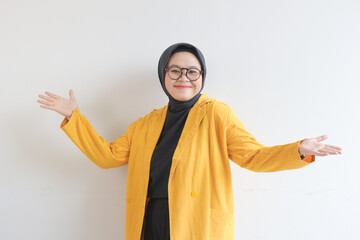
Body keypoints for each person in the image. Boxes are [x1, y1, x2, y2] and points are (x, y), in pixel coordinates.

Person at [37, 42, 342, 240]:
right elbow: (107, 157)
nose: (184, 76)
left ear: (202, 75)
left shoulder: (216, 114)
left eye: (192, 71)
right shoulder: (145, 124)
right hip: (150, 220)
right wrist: (73, 117)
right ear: (164, 75)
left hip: (195, 223)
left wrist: (299, 149)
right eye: (175, 70)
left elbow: (253, 156)